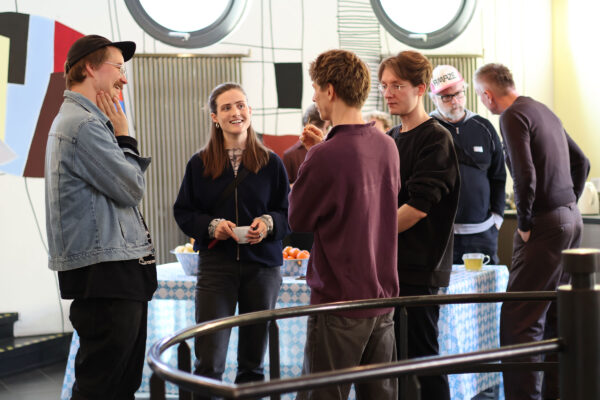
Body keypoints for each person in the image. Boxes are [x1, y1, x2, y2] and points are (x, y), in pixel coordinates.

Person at [44, 35, 157, 399]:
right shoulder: (84, 125)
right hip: (107, 276)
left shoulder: (85, 121)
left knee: (120, 383)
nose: (124, 79)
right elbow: (131, 188)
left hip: (113, 272)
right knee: (104, 386)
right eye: (119, 68)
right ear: (91, 68)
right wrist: (126, 138)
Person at [289, 49, 400, 400]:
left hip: (339, 303)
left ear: (331, 91)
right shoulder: (387, 146)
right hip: (382, 299)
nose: (314, 97)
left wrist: (313, 158)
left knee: (322, 396)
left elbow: (298, 219)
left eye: (316, 88)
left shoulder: (324, 155)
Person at [474, 64, 589, 400]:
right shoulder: (542, 110)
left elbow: (524, 176)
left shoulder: (511, 116)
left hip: (543, 224)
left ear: (487, 95)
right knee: (554, 315)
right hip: (570, 219)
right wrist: (567, 205)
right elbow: (581, 162)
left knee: (519, 320)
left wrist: (525, 222)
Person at [173, 82, 290, 399]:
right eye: (226, 107)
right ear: (214, 117)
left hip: (263, 268)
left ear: (250, 111)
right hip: (216, 267)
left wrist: (267, 224)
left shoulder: (271, 162)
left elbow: (287, 213)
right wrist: (212, 226)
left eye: (240, 105)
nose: (235, 112)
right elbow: (183, 212)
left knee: (253, 362)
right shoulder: (199, 164)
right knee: (209, 359)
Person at [379, 51, 460, 400]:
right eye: (384, 86)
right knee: (393, 362)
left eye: (397, 85)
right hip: (389, 266)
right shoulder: (392, 137)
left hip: (419, 268)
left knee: (424, 361)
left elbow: (416, 209)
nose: (389, 93)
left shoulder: (435, 137)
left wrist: (369, 237)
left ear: (421, 88)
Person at [429, 65, 506, 265]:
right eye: (446, 97)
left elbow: (498, 176)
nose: (454, 101)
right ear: (433, 98)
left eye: (458, 94)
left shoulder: (484, 127)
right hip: (440, 235)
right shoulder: (427, 130)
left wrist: (497, 218)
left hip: (483, 234)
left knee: (486, 295)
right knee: (443, 296)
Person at [282, 104, 330, 185]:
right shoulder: (290, 155)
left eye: (327, 128)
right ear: (307, 126)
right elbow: (283, 192)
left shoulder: (332, 152)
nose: (325, 132)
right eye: (321, 127)